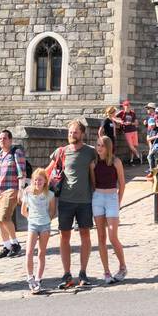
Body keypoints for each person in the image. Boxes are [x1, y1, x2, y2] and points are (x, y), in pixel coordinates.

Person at [50, 119, 98, 288]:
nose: (72, 134)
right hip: (65, 201)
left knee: (85, 235)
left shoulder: (90, 152)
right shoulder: (61, 152)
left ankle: (83, 272)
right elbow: (49, 170)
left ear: (82, 134)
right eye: (70, 132)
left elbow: (103, 165)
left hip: (85, 201)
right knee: (64, 236)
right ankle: (66, 274)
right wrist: (32, 185)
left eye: (75, 132)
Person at [92, 129, 128, 283]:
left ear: (108, 147)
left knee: (113, 236)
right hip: (98, 198)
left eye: (102, 145)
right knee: (101, 236)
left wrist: (118, 202)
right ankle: (106, 272)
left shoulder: (116, 162)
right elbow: (93, 184)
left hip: (112, 197)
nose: (99, 148)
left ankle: (122, 266)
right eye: (98, 145)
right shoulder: (93, 164)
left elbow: (122, 184)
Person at [0, 130, 27, 258]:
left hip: (11, 189)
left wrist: (21, 190)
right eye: (0, 138)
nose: (2, 140)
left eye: (5, 138)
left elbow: (22, 173)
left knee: (5, 217)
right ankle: (6, 246)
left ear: (10, 140)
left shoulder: (16, 153)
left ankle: (15, 244)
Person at [20, 167, 56, 293]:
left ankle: (38, 279)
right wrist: (31, 218)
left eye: (40, 180)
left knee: (41, 253)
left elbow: (52, 210)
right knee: (29, 252)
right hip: (33, 225)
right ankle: (30, 277)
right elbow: (23, 210)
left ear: (45, 181)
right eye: (35, 180)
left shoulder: (50, 194)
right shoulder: (28, 193)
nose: (37, 182)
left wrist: (47, 220)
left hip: (45, 225)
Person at [114, 99, 142, 166]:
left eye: (128, 105)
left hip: (134, 130)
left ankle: (131, 161)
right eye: (126, 105)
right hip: (127, 131)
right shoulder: (121, 112)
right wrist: (120, 121)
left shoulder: (132, 113)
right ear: (124, 106)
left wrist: (130, 123)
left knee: (134, 146)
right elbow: (113, 117)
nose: (128, 106)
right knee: (131, 146)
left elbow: (136, 123)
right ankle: (138, 156)